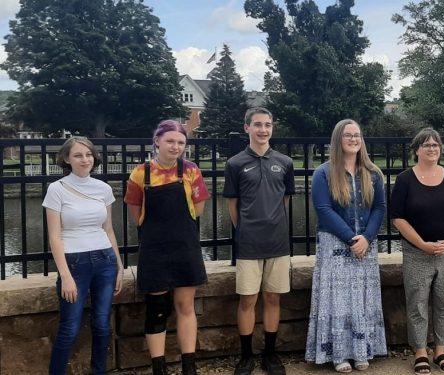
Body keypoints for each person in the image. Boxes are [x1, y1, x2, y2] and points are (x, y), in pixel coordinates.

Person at [124, 120, 210, 375]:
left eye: (181, 143)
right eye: (170, 141)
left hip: (185, 246)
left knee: (186, 306)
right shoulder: (140, 174)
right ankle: (159, 367)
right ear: (157, 141)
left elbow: (199, 209)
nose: (176, 147)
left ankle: (189, 365)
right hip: (154, 249)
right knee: (156, 310)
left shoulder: (191, 170)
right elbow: (136, 213)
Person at [305, 119, 388, 373]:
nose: (353, 139)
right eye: (348, 135)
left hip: (366, 243)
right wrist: (352, 238)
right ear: (338, 140)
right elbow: (323, 210)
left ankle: (362, 350)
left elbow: (380, 207)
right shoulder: (324, 172)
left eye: (357, 135)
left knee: (362, 299)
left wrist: (367, 237)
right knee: (337, 299)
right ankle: (339, 353)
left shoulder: (372, 173)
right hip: (335, 244)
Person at [391, 128, 444, 375]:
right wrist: (422, 244)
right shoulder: (405, 179)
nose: (432, 148)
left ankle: (441, 349)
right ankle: (420, 351)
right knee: (417, 304)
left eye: (435, 145)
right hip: (417, 252)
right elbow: (397, 218)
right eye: (426, 145)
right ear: (416, 150)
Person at [223, 107, 295, 375]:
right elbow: (233, 205)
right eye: (257, 125)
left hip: (277, 243)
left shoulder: (285, 163)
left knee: (273, 297)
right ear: (247, 128)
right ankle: (246, 356)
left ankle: (270, 354)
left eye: (267, 125)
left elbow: (285, 200)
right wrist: (245, 230)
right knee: (248, 300)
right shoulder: (235, 163)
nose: (263, 130)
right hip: (248, 244)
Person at [44, 136, 124, 375]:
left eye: (88, 154)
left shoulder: (103, 189)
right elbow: (55, 237)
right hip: (74, 263)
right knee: (69, 328)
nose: (85, 159)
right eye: (78, 155)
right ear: (67, 159)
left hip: (105, 260)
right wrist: (65, 276)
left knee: (101, 325)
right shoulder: (56, 189)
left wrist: (119, 266)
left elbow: (108, 229)